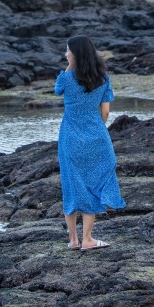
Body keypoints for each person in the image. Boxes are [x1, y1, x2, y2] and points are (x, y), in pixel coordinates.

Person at [54, 35, 126, 251]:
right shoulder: (102, 77)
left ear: (75, 53)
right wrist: (95, 126)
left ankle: (74, 240)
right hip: (96, 135)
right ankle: (88, 238)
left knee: (71, 184)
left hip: (70, 137)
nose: (65, 53)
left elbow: (57, 90)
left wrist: (69, 66)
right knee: (93, 183)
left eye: (68, 50)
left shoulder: (66, 77)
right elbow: (105, 112)